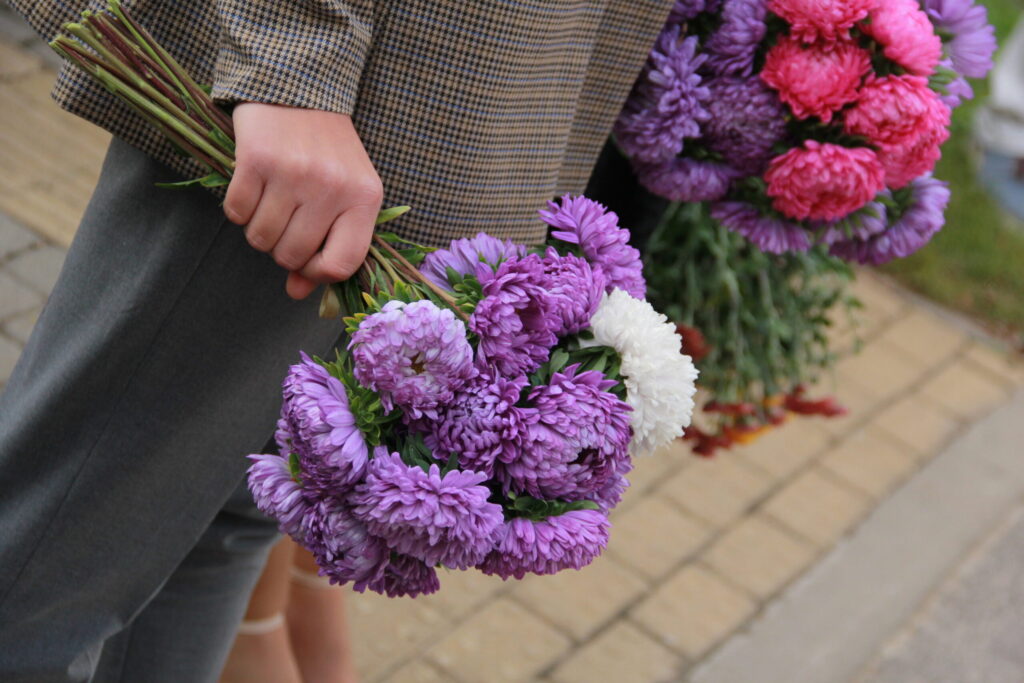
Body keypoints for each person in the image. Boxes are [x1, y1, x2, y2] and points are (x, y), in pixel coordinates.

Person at [0, 1, 673, 681]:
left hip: (475, 131)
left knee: (224, 523)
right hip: (331, 129)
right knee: (46, 565)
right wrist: (291, 63)